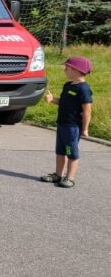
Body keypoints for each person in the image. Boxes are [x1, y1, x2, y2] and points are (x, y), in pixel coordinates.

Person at [40, 56, 94, 189]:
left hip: (72, 127)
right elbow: (63, 102)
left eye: (67, 68)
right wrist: (52, 100)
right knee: (60, 152)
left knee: (72, 153)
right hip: (62, 124)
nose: (64, 70)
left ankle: (70, 177)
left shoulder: (83, 89)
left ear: (76, 70)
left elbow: (87, 110)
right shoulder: (68, 85)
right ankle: (58, 175)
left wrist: (85, 128)